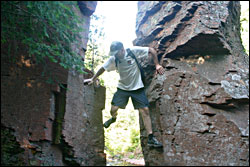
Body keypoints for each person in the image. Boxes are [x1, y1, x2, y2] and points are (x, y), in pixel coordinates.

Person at [84, 41, 165, 148]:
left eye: (116, 53)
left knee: (145, 111)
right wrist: (93, 79)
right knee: (113, 109)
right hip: (123, 88)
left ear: (122, 49)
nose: (114, 55)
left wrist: (157, 65)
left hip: (137, 88)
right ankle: (113, 118)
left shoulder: (132, 51)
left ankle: (151, 138)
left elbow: (151, 50)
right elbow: (103, 68)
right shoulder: (114, 59)